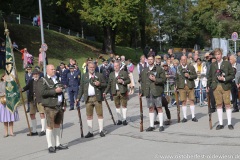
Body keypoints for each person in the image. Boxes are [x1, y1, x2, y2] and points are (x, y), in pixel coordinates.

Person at [38, 64, 68, 153]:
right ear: (47, 70)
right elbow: (42, 92)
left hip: (59, 105)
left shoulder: (57, 79)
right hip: (50, 106)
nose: (54, 70)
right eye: (52, 69)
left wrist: (64, 103)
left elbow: (62, 92)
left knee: (57, 124)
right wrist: (54, 91)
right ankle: (50, 145)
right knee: (50, 125)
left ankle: (58, 144)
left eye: (54, 69)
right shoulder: (43, 80)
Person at [76, 62, 107, 138]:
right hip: (88, 98)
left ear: (95, 67)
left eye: (93, 67)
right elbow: (81, 88)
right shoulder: (84, 76)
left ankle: (101, 130)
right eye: (90, 67)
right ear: (87, 68)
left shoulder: (99, 75)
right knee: (89, 115)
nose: (92, 69)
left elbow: (105, 84)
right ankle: (90, 132)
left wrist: (99, 84)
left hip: (97, 97)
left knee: (100, 114)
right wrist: (78, 98)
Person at [207, 48, 234, 130]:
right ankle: (221, 123)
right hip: (216, 87)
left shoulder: (227, 63)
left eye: (219, 54)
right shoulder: (213, 65)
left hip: (225, 86)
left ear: (221, 54)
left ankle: (229, 123)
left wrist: (225, 79)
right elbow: (210, 76)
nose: (217, 56)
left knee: (227, 104)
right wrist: (208, 86)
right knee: (218, 105)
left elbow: (232, 75)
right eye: (216, 54)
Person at [139, 55, 166, 132]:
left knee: (159, 107)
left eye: (151, 59)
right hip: (148, 91)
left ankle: (161, 125)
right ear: (147, 60)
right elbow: (142, 82)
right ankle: (151, 125)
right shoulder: (144, 70)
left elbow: (164, 80)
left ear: (154, 60)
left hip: (156, 91)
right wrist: (141, 92)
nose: (150, 61)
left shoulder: (159, 69)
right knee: (151, 108)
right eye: (149, 59)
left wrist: (155, 79)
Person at [103, 61, 130, 125]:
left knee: (124, 105)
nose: (116, 67)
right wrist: (105, 92)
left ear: (119, 66)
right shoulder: (111, 74)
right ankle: (119, 119)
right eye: (114, 66)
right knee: (117, 106)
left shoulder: (124, 72)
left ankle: (124, 119)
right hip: (114, 92)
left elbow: (129, 80)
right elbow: (109, 84)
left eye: (117, 66)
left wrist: (123, 82)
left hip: (122, 91)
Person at [22, 69, 46, 136]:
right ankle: (34, 130)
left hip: (40, 99)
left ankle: (43, 129)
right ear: (33, 75)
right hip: (32, 99)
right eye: (34, 74)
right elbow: (27, 87)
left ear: (39, 74)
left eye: (37, 74)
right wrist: (22, 89)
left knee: (42, 113)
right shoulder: (31, 81)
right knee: (32, 114)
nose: (35, 75)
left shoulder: (42, 81)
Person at [175, 56, 198, 123]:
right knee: (183, 101)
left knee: (192, 100)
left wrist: (189, 76)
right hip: (182, 86)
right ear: (180, 60)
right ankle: (185, 117)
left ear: (186, 60)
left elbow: (195, 76)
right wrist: (176, 85)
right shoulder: (178, 68)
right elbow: (176, 78)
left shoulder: (191, 67)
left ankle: (193, 116)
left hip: (190, 85)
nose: (183, 61)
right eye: (182, 60)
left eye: (185, 59)